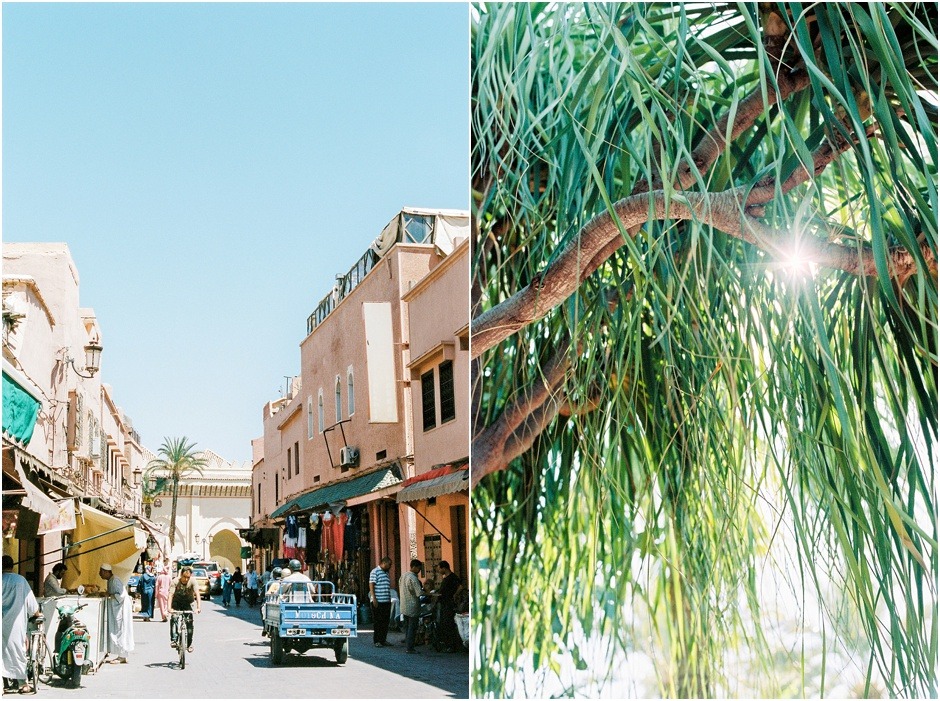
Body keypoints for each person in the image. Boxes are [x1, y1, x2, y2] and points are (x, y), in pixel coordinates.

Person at [2, 555, 41, 693]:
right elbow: (32, 604)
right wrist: (37, 614)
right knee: (17, 651)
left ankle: (4, 682)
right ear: (12, 566)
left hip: (2, 620)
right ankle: (23, 684)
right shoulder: (20, 581)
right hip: (15, 622)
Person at [99, 563, 134, 663]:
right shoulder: (111, 580)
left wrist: (109, 594)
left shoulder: (114, 580)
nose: (99, 574)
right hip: (116, 608)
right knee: (117, 629)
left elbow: (120, 595)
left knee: (120, 630)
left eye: (101, 572)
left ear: (106, 572)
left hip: (120, 608)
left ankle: (122, 656)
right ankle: (120, 654)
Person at [168, 567, 201, 653]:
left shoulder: (193, 581)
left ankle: (189, 644)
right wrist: (169, 608)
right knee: (174, 618)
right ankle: (174, 640)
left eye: (188, 577)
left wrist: (198, 608)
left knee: (189, 623)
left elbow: (197, 594)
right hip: (176, 602)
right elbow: (170, 595)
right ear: (181, 575)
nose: (186, 579)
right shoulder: (175, 581)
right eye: (184, 577)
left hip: (187, 603)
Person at [436, 561, 464, 652]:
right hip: (444, 603)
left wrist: (455, 595)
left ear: (444, 568)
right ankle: (448, 644)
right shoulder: (446, 578)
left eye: (439, 568)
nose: (438, 570)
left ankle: (451, 646)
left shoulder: (452, 577)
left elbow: (461, 586)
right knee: (444, 623)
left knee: (448, 624)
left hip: (449, 603)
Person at [399, 559, 424, 654]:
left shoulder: (403, 575)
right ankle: (410, 648)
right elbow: (419, 593)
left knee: (407, 627)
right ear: (414, 567)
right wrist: (429, 594)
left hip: (404, 605)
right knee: (412, 628)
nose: (419, 570)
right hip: (413, 606)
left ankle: (408, 645)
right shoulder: (413, 578)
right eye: (419, 568)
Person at [368, 556, 393, 648]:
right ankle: (377, 640)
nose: (390, 566)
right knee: (378, 621)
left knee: (385, 621)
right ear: (384, 563)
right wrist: (374, 598)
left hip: (386, 601)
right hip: (378, 601)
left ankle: (383, 640)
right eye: (389, 564)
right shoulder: (375, 571)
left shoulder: (386, 573)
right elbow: (371, 584)